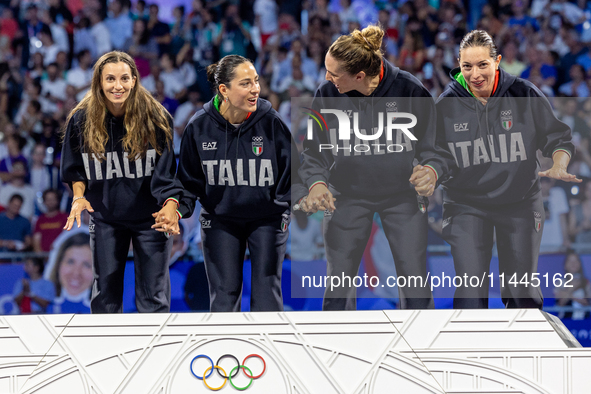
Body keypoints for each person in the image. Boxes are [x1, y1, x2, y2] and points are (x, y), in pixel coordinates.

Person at [299, 25, 456, 311]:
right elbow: (314, 152)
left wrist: (432, 170)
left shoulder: (410, 89)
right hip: (345, 193)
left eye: (334, 73)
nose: (326, 78)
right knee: (338, 282)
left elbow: (438, 149)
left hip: (401, 194)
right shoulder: (327, 93)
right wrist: (317, 183)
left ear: (359, 76)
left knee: (415, 280)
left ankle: (421, 347)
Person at [435, 30, 580, 309]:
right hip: (466, 204)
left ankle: (524, 350)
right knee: (469, 291)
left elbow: (558, 139)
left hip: (520, 201)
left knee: (522, 292)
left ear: (497, 61)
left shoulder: (524, 93)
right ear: (459, 64)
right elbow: (436, 156)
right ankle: (469, 351)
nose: (474, 74)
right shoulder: (445, 106)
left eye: (482, 65)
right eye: (467, 67)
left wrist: (559, 163)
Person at [60, 51, 182, 314]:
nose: (118, 86)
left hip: (151, 216)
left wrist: (171, 205)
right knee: (105, 299)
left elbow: (166, 175)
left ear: (135, 80)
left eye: (125, 78)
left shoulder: (156, 118)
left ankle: (157, 354)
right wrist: (78, 197)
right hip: (106, 216)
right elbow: (75, 170)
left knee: (154, 299)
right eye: (111, 79)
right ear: (99, 83)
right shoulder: (81, 119)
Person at [176, 54, 296, 312]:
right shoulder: (199, 126)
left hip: (267, 217)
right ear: (224, 90)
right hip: (220, 219)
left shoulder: (270, 121)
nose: (255, 89)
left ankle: (267, 351)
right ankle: (225, 351)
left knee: (266, 292)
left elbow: (292, 170)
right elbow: (188, 181)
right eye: (245, 83)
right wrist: (176, 209)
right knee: (223, 295)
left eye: (256, 81)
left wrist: (284, 207)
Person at [47, 232, 93, 313]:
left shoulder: (98, 312)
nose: (76, 273)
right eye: (70, 262)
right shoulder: (48, 307)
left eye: (86, 265)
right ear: (58, 264)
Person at [554, 251, 591, 320]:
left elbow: (587, 303)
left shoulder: (586, 283)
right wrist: (571, 288)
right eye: (570, 261)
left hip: (583, 323)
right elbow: (560, 304)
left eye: (576, 261)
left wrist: (569, 296)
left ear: (580, 264)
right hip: (566, 321)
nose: (573, 264)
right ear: (565, 265)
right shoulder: (560, 283)